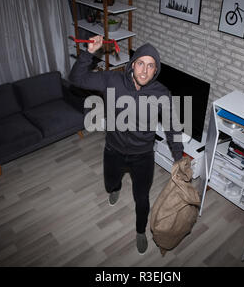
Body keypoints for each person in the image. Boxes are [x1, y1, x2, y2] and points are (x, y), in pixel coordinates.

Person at [69, 35, 184, 254]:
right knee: (110, 183)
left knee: (142, 198)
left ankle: (141, 230)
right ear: (132, 65)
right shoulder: (112, 81)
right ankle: (116, 187)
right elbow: (76, 79)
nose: (144, 70)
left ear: (156, 70)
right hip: (113, 150)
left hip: (143, 156)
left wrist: (178, 158)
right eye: (141, 63)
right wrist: (89, 53)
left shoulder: (161, 94)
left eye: (151, 66)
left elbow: (173, 127)